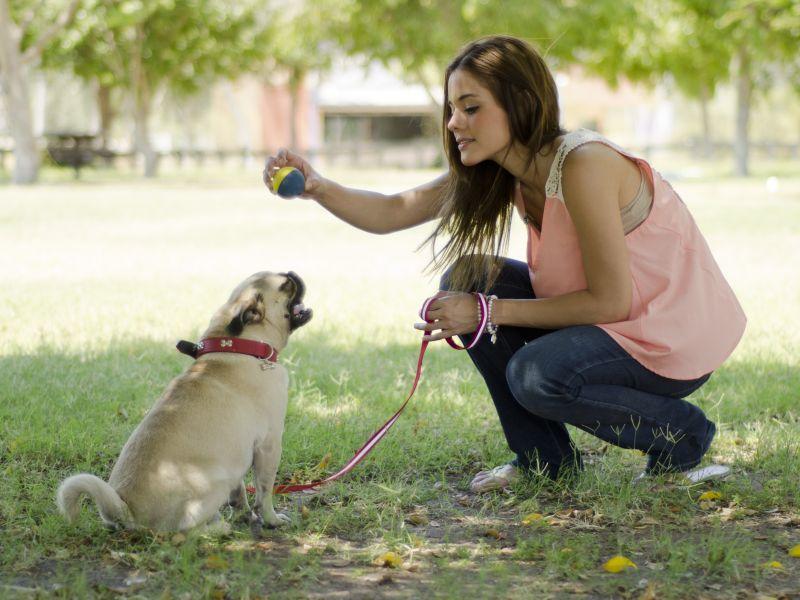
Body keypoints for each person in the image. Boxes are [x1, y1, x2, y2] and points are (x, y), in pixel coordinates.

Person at [263, 35, 746, 492]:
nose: (454, 123)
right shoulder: (502, 170)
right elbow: (394, 210)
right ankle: (546, 462)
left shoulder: (585, 164)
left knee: (536, 373)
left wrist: (487, 313)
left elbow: (610, 300)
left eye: (471, 108)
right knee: (469, 275)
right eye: (452, 109)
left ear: (520, 104)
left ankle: (682, 434)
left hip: (663, 336)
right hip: (612, 323)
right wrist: (317, 186)